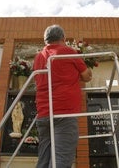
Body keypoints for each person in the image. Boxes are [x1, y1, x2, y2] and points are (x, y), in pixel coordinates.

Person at [33, 24, 92, 168]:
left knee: (44, 161)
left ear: (45, 41)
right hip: (64, 115)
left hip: (43, 115)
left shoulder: (38, 57)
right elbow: (87, 76)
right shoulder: (68, 52)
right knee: (61, 161)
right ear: (63, 38)